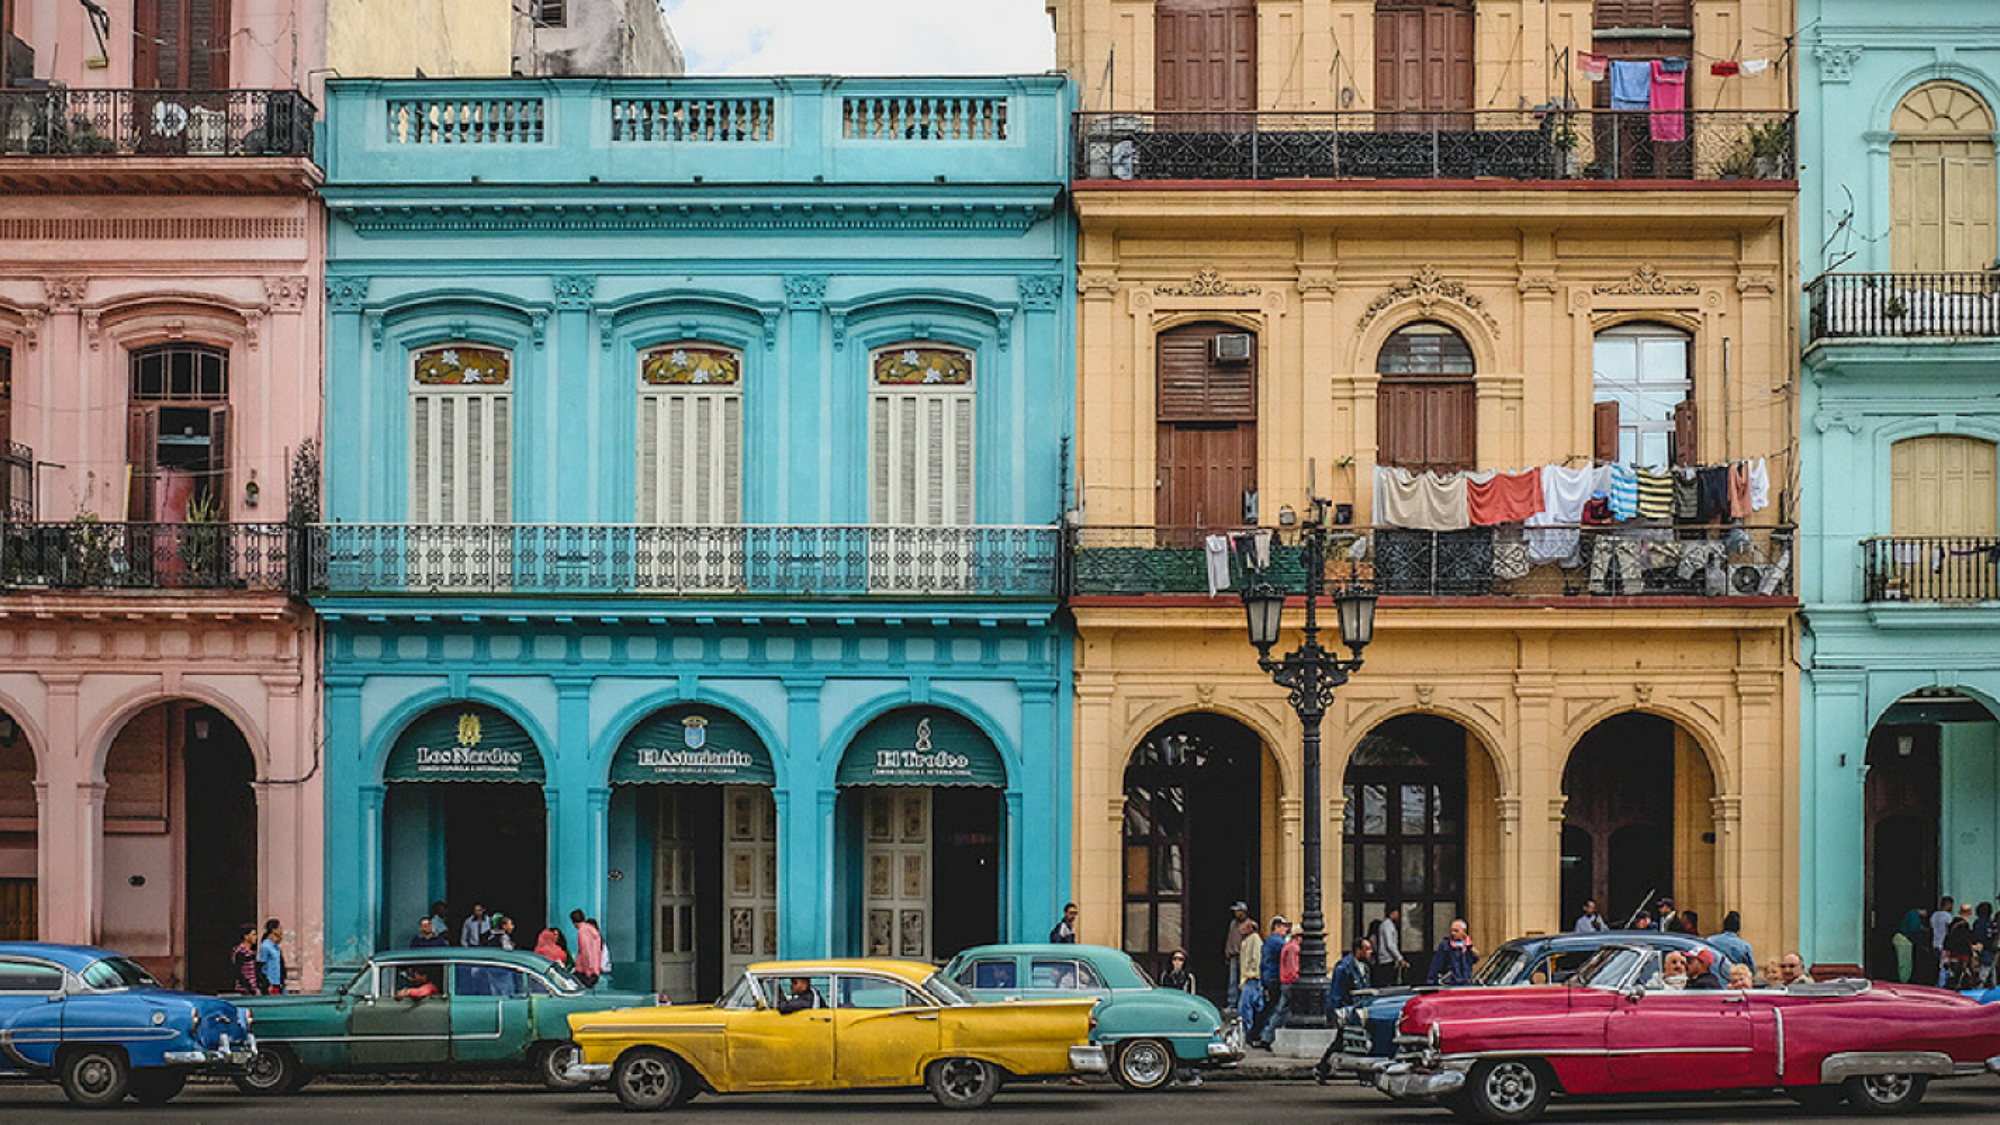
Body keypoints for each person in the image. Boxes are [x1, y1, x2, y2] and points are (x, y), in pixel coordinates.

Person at [1251, 916, 1289, 1047]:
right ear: (1277, 927)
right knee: (1273, 1008)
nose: (1286, 929)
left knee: (1270, 1007)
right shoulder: (1277, 941)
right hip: (1274, 977)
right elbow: (1285, 953)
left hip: (1269, 977)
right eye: (1284, 926)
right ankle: (1260, 1035)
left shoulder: (1270, 940)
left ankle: (1257, 1034)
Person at [1427, 918, 1479, 986]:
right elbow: (1436, 966)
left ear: (1464, 931)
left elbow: (1474, 960)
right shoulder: (1445, 946)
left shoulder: (1468, 946)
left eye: (1456, 931)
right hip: (1450, 985)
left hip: (1465, 984)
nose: (1453, 933)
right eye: (1452, 930)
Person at [1236, 918, 1263, 1035]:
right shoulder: (1247, 940)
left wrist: (1250, 974)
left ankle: (1248, 1031)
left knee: (1246, 1006)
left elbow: (1256, 958)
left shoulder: (1254, 939)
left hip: (1252, 978)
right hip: (1248, 978)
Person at [1223, 901, 1250, 1008]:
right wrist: (1227, 953)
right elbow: (1230, 939)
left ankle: (1242, 1004)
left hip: (1244, 957)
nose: (1236, 913)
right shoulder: (1233, 924)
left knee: (1243, 981)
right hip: (1234, 956)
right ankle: (1232, 1002)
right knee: (1233, 981)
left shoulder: (1249, 924)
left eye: (1238, 911)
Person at [1371, 907, 1406, 988]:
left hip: (1388, 959)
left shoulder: (1388, 925)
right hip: (1387, 959)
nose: (1398, 915)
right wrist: (1400, 958)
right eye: (1397, 913)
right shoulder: (1388, 925)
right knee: (1388, 984)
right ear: (1392, 913)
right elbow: (1390, 944)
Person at [572, 909, 606, 988]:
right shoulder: (593, 931)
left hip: (585, 970)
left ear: (574, 922)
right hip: (595, 969)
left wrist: (588, 971)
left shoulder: (582, 931)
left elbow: (585, 952)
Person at [1932, 896, 1956, 986]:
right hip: (1944, 944)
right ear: (1948, 905)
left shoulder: (1934, 915)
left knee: (1938, 965)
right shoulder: (1947, 916)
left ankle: (1938, 984)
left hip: (1935, 943)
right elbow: (1951, 929)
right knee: (1944, 966)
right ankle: (1942, 985)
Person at [230, 923, 261, 995]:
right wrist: (248, 986)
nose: (255, 937)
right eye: (253, 935)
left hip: (252, 988)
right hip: (244, 990)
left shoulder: (251, 952)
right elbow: (238, 971)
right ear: (246, 936)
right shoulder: (240, 951)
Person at [257, 918, 285, 995]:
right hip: (270, 984)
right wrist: (267, 984)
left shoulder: (276, 947)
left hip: (277, 983)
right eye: (279, 928)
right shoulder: (266, 946)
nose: (281, 931)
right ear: (273, 930)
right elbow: (260, 967)